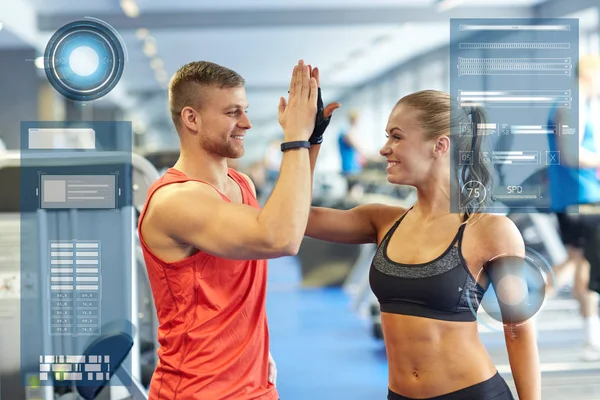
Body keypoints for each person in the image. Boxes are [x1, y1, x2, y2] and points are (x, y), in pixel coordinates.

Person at [305, 90, 541, 399]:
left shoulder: (491, 230)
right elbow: (298, 218)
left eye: (397, 137)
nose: (384, 148)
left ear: (439, 146)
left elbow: (518, 331)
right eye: (387, 136)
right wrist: (309, 141)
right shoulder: (382, 220)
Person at [137, 59, 340, 399]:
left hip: (254, 382)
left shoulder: (239, 181)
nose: (246, 123)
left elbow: (291, 217)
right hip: (198, 390)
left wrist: (311, 138)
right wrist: (294, 140)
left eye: (244, 110)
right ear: (192, 118)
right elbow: (280, 239)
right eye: (232, 113)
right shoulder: (176, 200)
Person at [546, 54, 600, 361]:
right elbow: (570, 154)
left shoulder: (577, 104)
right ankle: (592, 338)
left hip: (580, 195)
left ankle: (591, 337)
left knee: (578, 261)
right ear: (591, 74)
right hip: (581, 197)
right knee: (584, 263)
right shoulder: (572, 104)